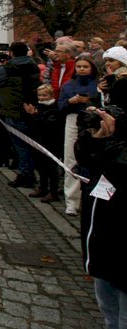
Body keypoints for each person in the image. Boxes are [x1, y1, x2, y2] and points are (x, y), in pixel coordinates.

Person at [74, 102, 125, 328]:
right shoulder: (112, 142)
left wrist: (111, 141)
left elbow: (119, 167)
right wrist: (94, 137)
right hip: (102, 238)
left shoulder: (116, 146)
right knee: (108, 307)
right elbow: (88, 161)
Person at [0, 42, 42, 190]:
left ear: (11, 53)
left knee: (21, 144)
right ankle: (28, 173)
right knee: (28, 144)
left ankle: (26, 175)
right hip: (31, 107)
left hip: (14, 108)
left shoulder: (9, 68)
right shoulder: (33, 65)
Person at [57, 55, 101, 215]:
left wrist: (89, 101)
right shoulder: (69, 85)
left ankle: (88, 198)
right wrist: (71, 102)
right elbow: (60, 105)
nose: (81, 69)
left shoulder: (98, 85)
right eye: (79, 66)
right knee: (70, 158)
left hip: (92, 122)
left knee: (92, 160)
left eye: (85, 66)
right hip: (73, 119)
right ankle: (72, 201)